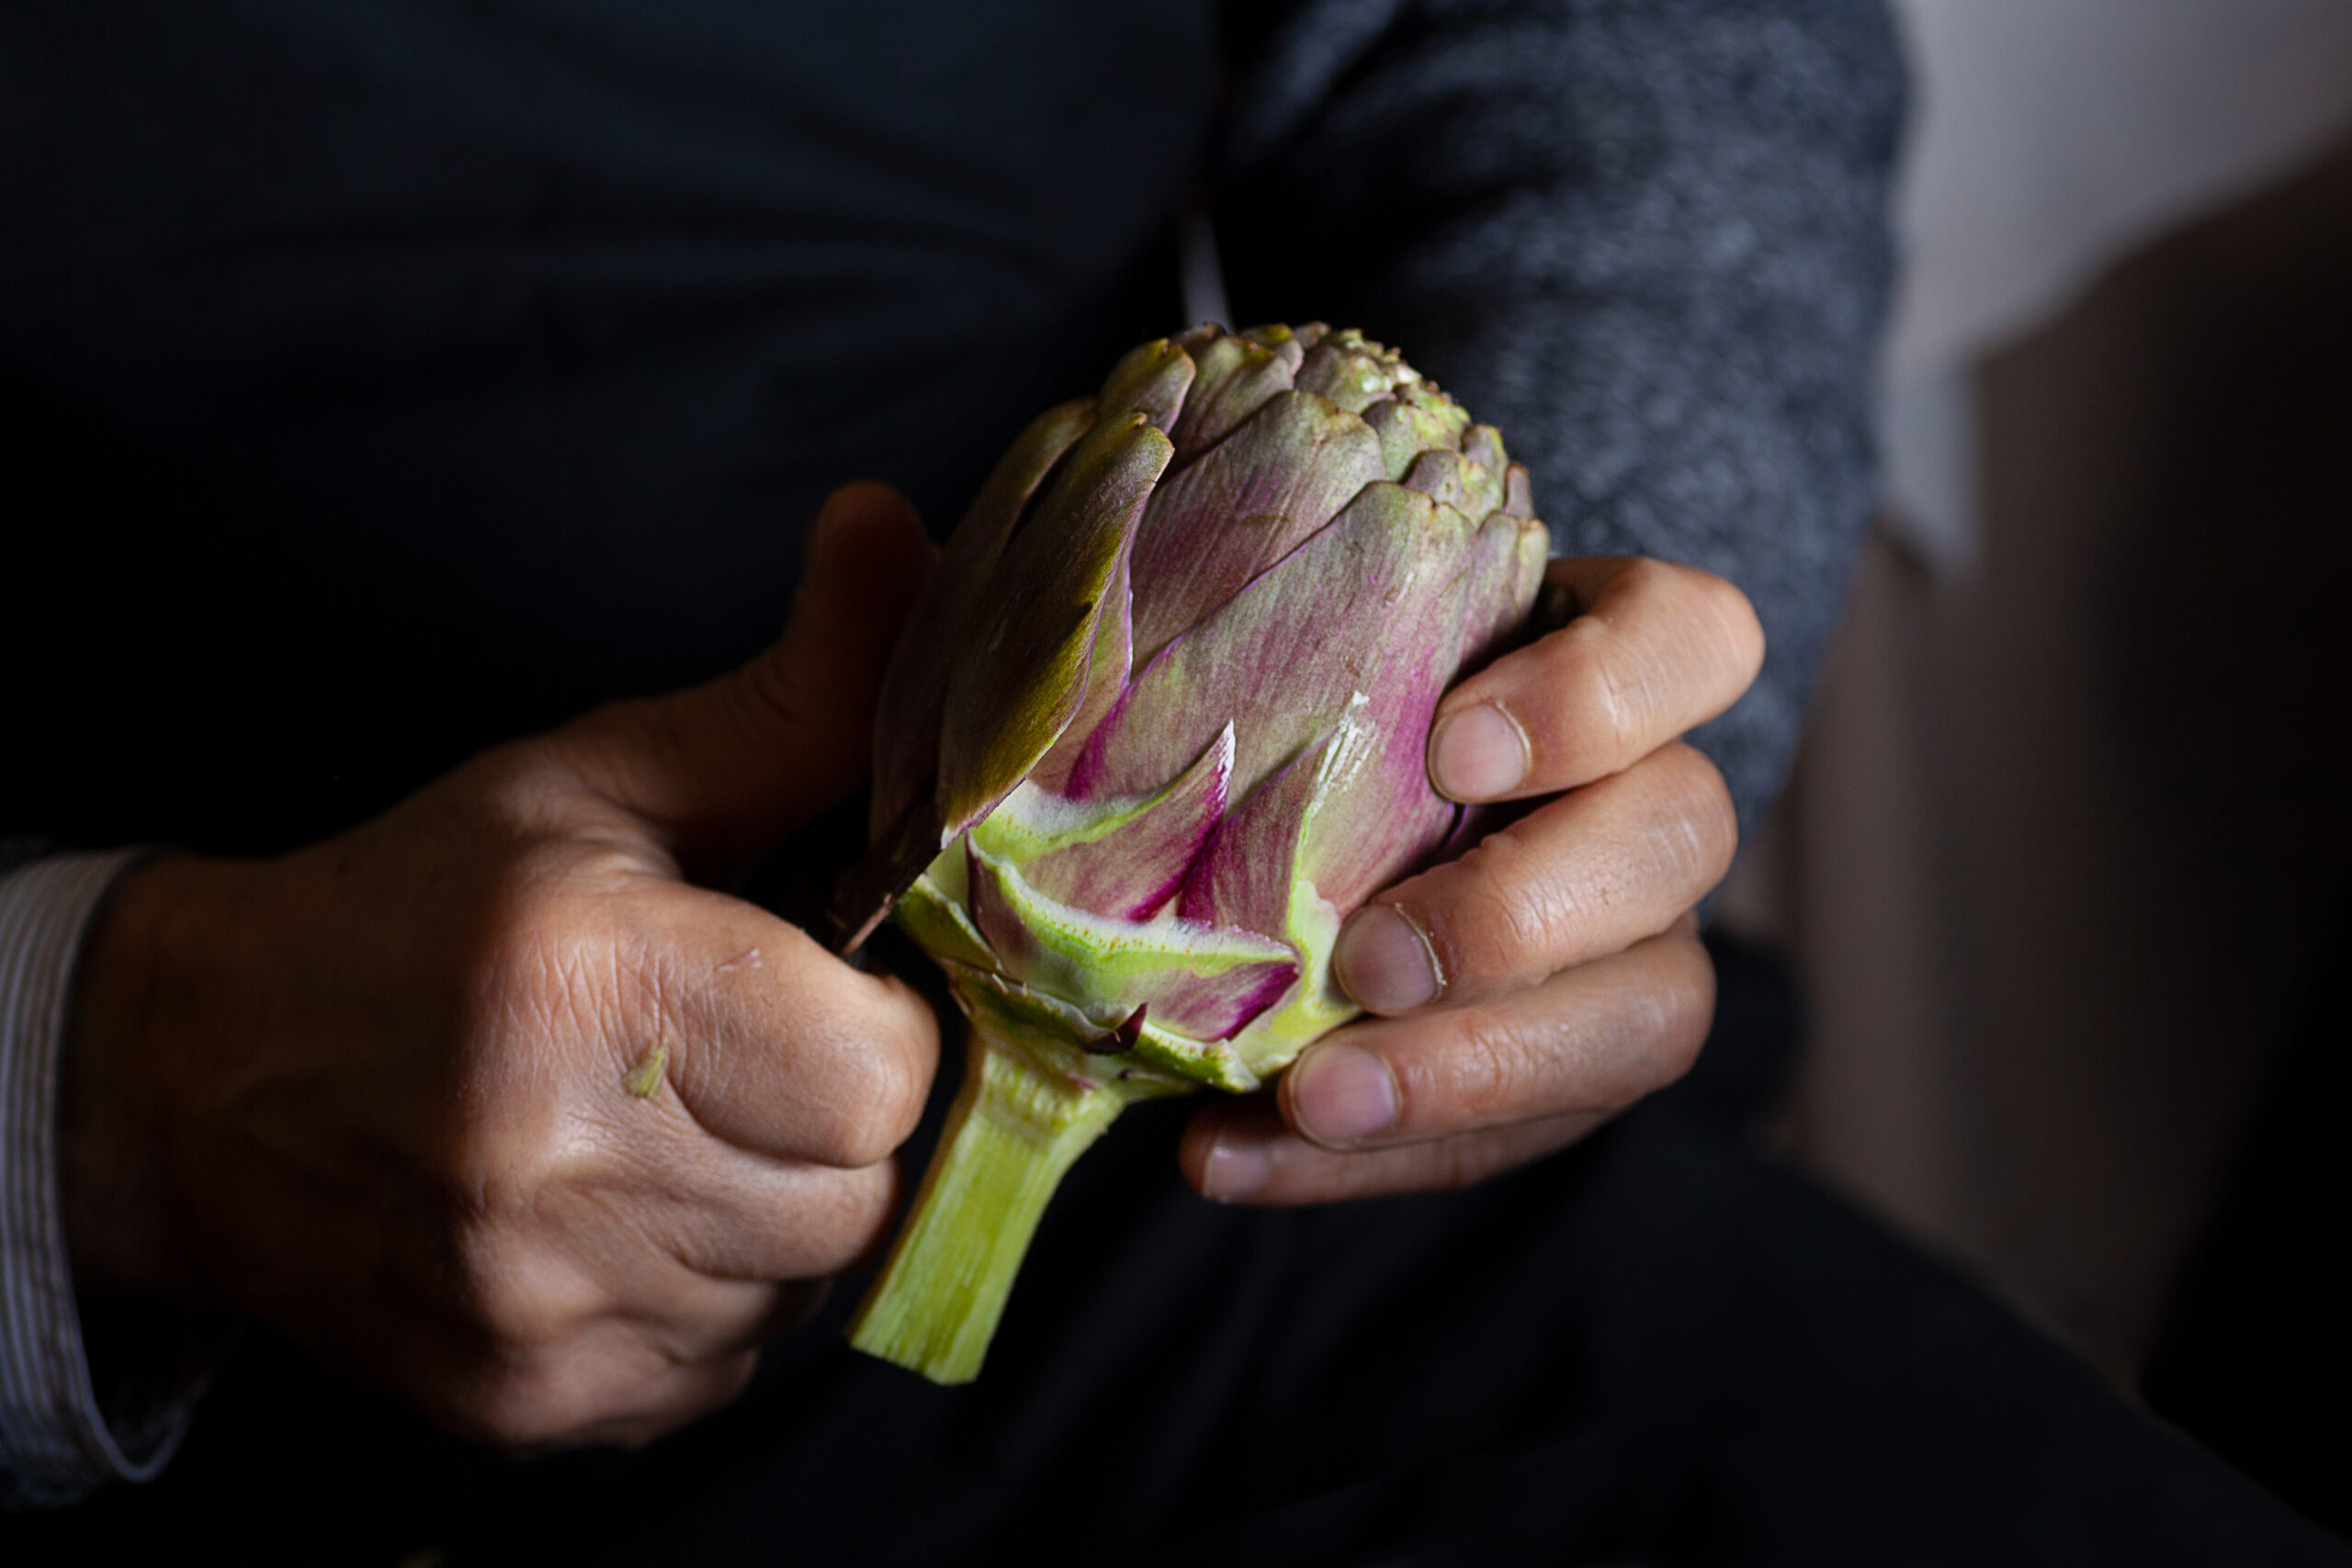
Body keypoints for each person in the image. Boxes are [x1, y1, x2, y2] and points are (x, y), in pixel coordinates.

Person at [2, 1, 2340, 1561]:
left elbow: (1609, 39)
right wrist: (96, 1086)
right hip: (153, 1348)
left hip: (1283, 1213)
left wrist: (1502, 711)